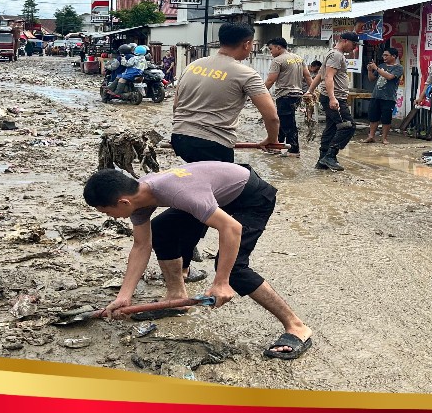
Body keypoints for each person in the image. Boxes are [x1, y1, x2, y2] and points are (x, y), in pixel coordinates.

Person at [84, 164, 313, 360]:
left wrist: (221, 281)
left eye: (106, 212)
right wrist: (124, 296)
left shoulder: (181, 193)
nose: (108, 217)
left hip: (250, 198)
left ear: (122, 202)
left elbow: (231, 227)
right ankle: (177, 298)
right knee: (162, 231)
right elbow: (141, 245)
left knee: (234, 270)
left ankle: (297, 327)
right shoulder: (138, 198)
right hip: (216, 193)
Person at [171, 23, 280, 163]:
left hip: (179, 138)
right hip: (213, 144)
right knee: (225, 184)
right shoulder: (246, 74)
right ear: (247, 44)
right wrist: (272, 139)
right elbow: (271, 117)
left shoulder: (192, 66)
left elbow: (176, 106)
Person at [306, 31, 359, 171]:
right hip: (335, 97)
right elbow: (328, 77)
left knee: (331, 128)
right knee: (348, 126)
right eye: (354, 44)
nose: (354, 47)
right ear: (345, 41)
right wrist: (332, 98)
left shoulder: (333, 53)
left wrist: (310, 90)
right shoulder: (336, 55)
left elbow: (320, 75)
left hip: (332, 96)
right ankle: (329, 156)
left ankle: (322, 160)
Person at [264, 38, 312, 156]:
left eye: (271, 49)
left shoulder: (278, 60)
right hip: (297, 95)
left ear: (278, 47)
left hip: (285, 95)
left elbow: (270, 80)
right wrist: (311, 91)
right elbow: (308, 76)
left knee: (288, 124)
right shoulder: (298, 58)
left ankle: (294, 150)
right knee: (282, 121)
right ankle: (277, 145)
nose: (271, 52)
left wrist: (259, 93)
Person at [365, 47, 403, 144]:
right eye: (383, 55)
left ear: (393, 56)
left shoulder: (398, 68)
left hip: (388, 97)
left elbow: (390, 77)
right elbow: (372, 78)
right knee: (373, 117)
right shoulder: (382, 65)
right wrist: (370, 70)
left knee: (386, 118)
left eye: (386, 55)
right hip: (376, 95)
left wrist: (376, 68)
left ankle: (384, 138)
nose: (384, 57)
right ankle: (371, 136)